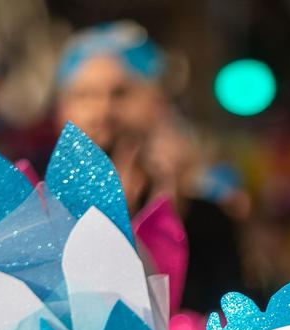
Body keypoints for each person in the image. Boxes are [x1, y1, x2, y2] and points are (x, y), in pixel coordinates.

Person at [52, 20, 247, 311]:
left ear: (157, 103)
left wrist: (172, 216)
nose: (103, 110)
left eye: (121, 93)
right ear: (61, 110)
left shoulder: (206, 214)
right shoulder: (40, 211)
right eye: (85, 95)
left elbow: (226, 311)